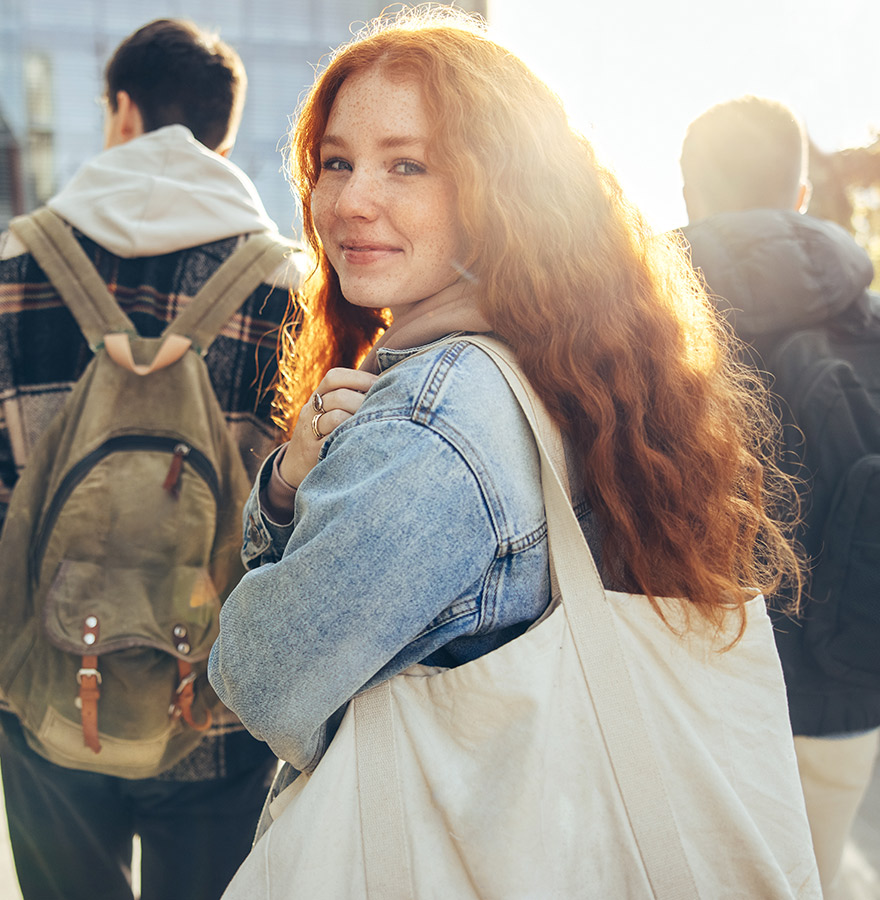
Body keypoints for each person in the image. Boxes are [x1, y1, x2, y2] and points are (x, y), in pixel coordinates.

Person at [209, 1, 800, 872]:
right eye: (336, 163)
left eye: (407, 164)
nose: (351, 201)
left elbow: (261, 678)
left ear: (503, 187)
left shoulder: (434, 418)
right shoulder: (564, 359)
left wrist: (283, 496)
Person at [0, 19, 295, 900]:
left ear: (121, 112)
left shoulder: (13, 267)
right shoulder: (292, 288)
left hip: (47, 689)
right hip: (213, 703)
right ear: (224, 134)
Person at [679, 94, 880, 899]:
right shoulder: (870, 321)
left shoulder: (643, 328)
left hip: (689, 684)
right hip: (847, 679)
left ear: (689, 193)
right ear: (799, 198)